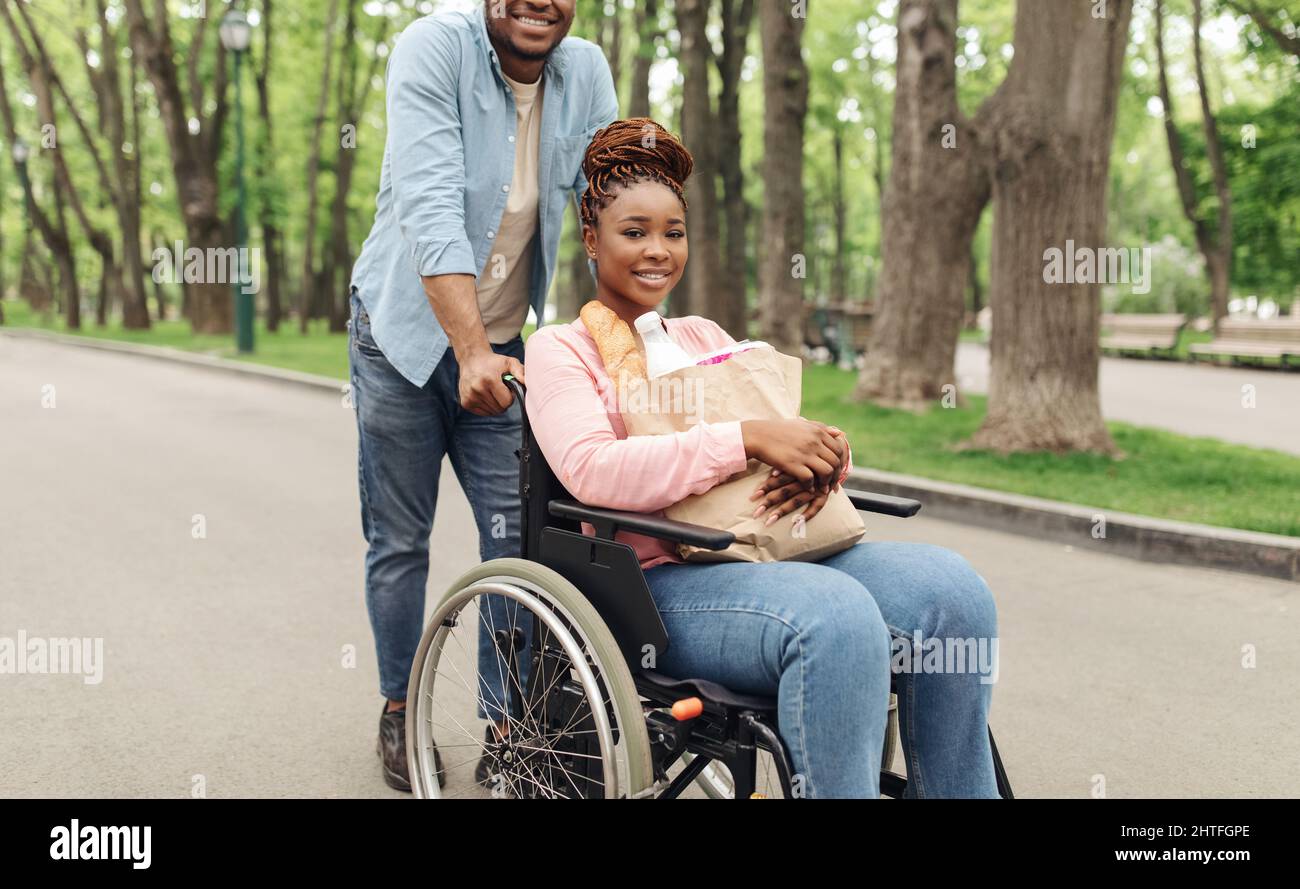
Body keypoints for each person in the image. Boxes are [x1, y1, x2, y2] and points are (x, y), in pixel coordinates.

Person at [523, 119, 1001, 798]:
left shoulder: (703, 335)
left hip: (773, 548)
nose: (658, 250)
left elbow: (780, 428)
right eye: (634, 232)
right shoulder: (561, 349)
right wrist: (744, 439)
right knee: (835, 617)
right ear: (592, 239)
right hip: (657, 583)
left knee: (954, 592)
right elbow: (593, 471)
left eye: (673, 231)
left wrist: (825, 454)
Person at [347, 0, 617, 792]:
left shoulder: (586, 72)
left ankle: (509, 725)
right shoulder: (434, 47)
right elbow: (430, 207)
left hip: (502, 346)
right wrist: (469, 351)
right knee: (400, 541)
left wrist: (634, 348)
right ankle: (401, 704)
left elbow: (607, 212)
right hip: (401, 336)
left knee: (516, 542)